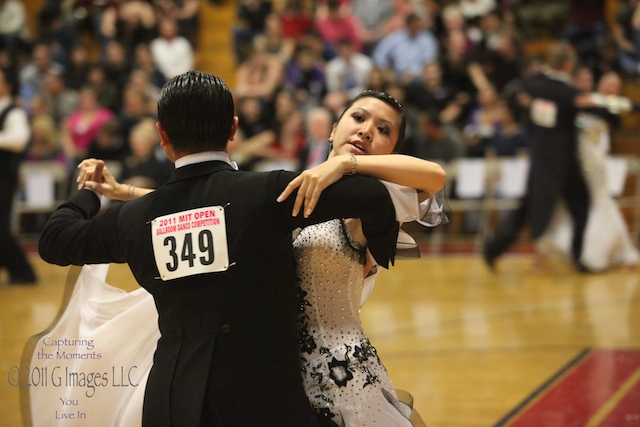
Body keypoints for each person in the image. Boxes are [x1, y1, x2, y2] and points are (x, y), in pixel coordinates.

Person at [38, 70, 403, 427]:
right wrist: (344, 163)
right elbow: (373, 195)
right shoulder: (267, 193)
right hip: (264, 401)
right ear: (232, 129)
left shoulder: (134, 219)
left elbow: (55, 241)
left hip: (171, 400)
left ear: (161, 134)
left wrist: (88, 190)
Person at [482, 42, 592, 272]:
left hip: (542, 158)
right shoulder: (565, 91)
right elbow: (582, 103)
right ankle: (577, 257)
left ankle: (493, 248)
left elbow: (517, 99)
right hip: (562, 161)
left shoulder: (531, 86)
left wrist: (531, 114)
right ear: (568, 64)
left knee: (526, 209)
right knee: (579, 205)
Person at [536, 71, 640, 271]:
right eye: (607, 82)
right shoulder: (582, 101)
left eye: (616, 85)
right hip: (577, 163)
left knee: (600, 201)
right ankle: (574, 249)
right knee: (577, 206)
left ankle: (600, 253)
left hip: (594, 163)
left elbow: (626, 108)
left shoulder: (608, 106)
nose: (611, 87)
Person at [0, 65, 36, 284]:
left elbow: (19, 139)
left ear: (8, 85)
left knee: (1, 224)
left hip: (4, 176)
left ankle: (23, 271)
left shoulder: (14, 111)